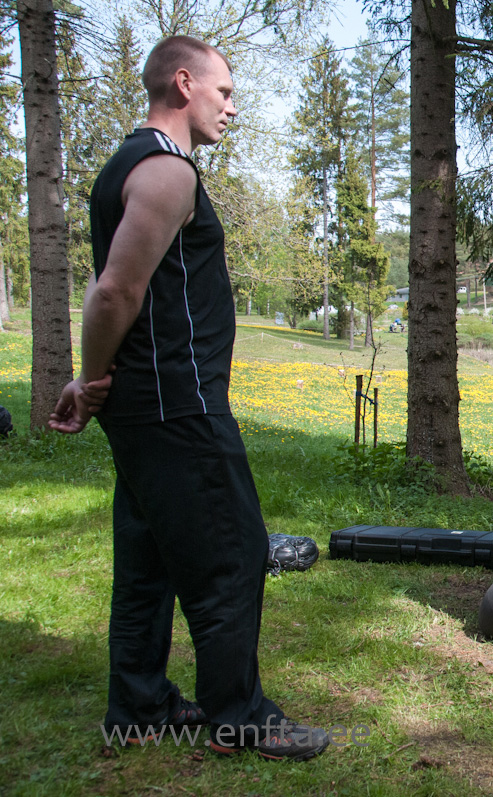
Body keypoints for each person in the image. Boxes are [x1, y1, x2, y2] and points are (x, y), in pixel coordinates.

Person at [48, 36, 329, 761]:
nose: (232, 107)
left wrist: (92, 379)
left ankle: (138, 705)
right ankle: (241, 715)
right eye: (225, 92)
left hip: (145, 404)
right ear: (184, 84)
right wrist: (91, 375)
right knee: (231, 554)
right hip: (180, 402)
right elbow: (115, 290)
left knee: (149, 555)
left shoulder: (119, 169)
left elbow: (104, 278)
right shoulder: (168, 172)